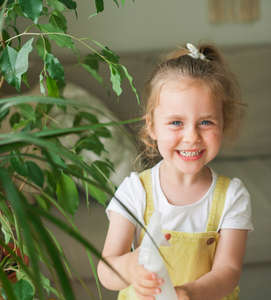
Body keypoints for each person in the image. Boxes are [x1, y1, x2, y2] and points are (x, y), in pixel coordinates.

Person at [97, 42, 254, 300]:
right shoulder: (136, 192)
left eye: (205, 122)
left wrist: (189, 294)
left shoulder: (232, 197)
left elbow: (228, 272)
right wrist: (129, 268)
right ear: (153, 126)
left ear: (223, 123)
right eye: (176, 123)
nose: (191, 137)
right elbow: (106, 269)